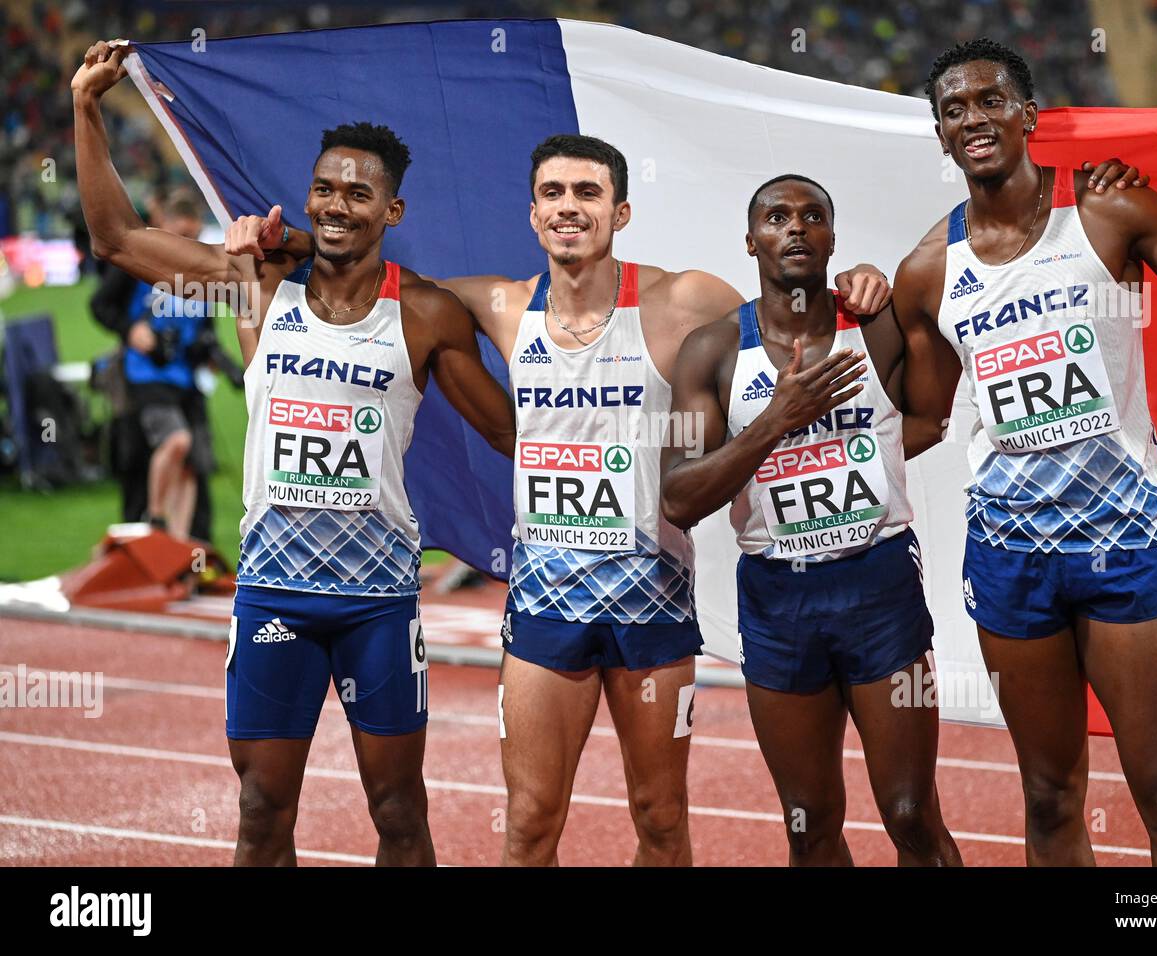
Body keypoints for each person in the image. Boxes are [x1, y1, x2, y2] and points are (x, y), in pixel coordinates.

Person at [231, 133, 893, 866]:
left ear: (622, 210)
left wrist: (855, 282)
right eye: (553, 194)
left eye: (587, 193)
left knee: (661, 818)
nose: (569, 208)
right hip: (545, 608)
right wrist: (296, 240)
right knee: (531, 824)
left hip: (653, 606)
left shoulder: (683, 299)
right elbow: (373, 274)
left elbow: (786, 303)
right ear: (534, 212)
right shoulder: (497, 303)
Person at [73, 39, 515, 866]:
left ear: (394, 212)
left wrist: (613, 425)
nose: (337, 205)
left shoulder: (425, 314)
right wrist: (86, 107)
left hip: (378, 600)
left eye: (359, 192)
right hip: (273, 591)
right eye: (324, 189)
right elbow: (117, 239)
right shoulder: (254, 282)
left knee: (398, 815)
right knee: (262, 810)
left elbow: (504, 432)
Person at [893, 37, 1157, 866]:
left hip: (1122, 546)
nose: (973, 118)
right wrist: (862, 323)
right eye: (954, 110)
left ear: (1029, 115)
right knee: (1047, 799)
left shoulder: (1110, 212)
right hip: (1009, 556)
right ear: (940, 136)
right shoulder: (928, 271)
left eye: (991, 100)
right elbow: (924, 415)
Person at [661, 174, 963, 865]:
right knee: (809, 825)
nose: (795, 228)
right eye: (776, 217)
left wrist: (871, 454)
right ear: (751, 240)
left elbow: (932, 416)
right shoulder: (709, 352)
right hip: (778, 601)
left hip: (879, 584)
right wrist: (777, 421)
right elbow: (679, 497)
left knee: (913, 816)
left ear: (831, 237)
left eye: (812, 216)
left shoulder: (876, 322)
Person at [90, 188, 239, 540]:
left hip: (187, 380)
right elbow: (100, 305)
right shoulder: (139, 260)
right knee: (155, 455)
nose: (190, 242)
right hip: (144, 376)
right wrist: (131, 330)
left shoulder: (204, 270)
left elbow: (203, 327)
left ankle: (187, 550)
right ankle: (149, 531)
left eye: (196, 236)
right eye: (183, 235)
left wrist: (217, 359)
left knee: (193, 466)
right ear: (166, 226)